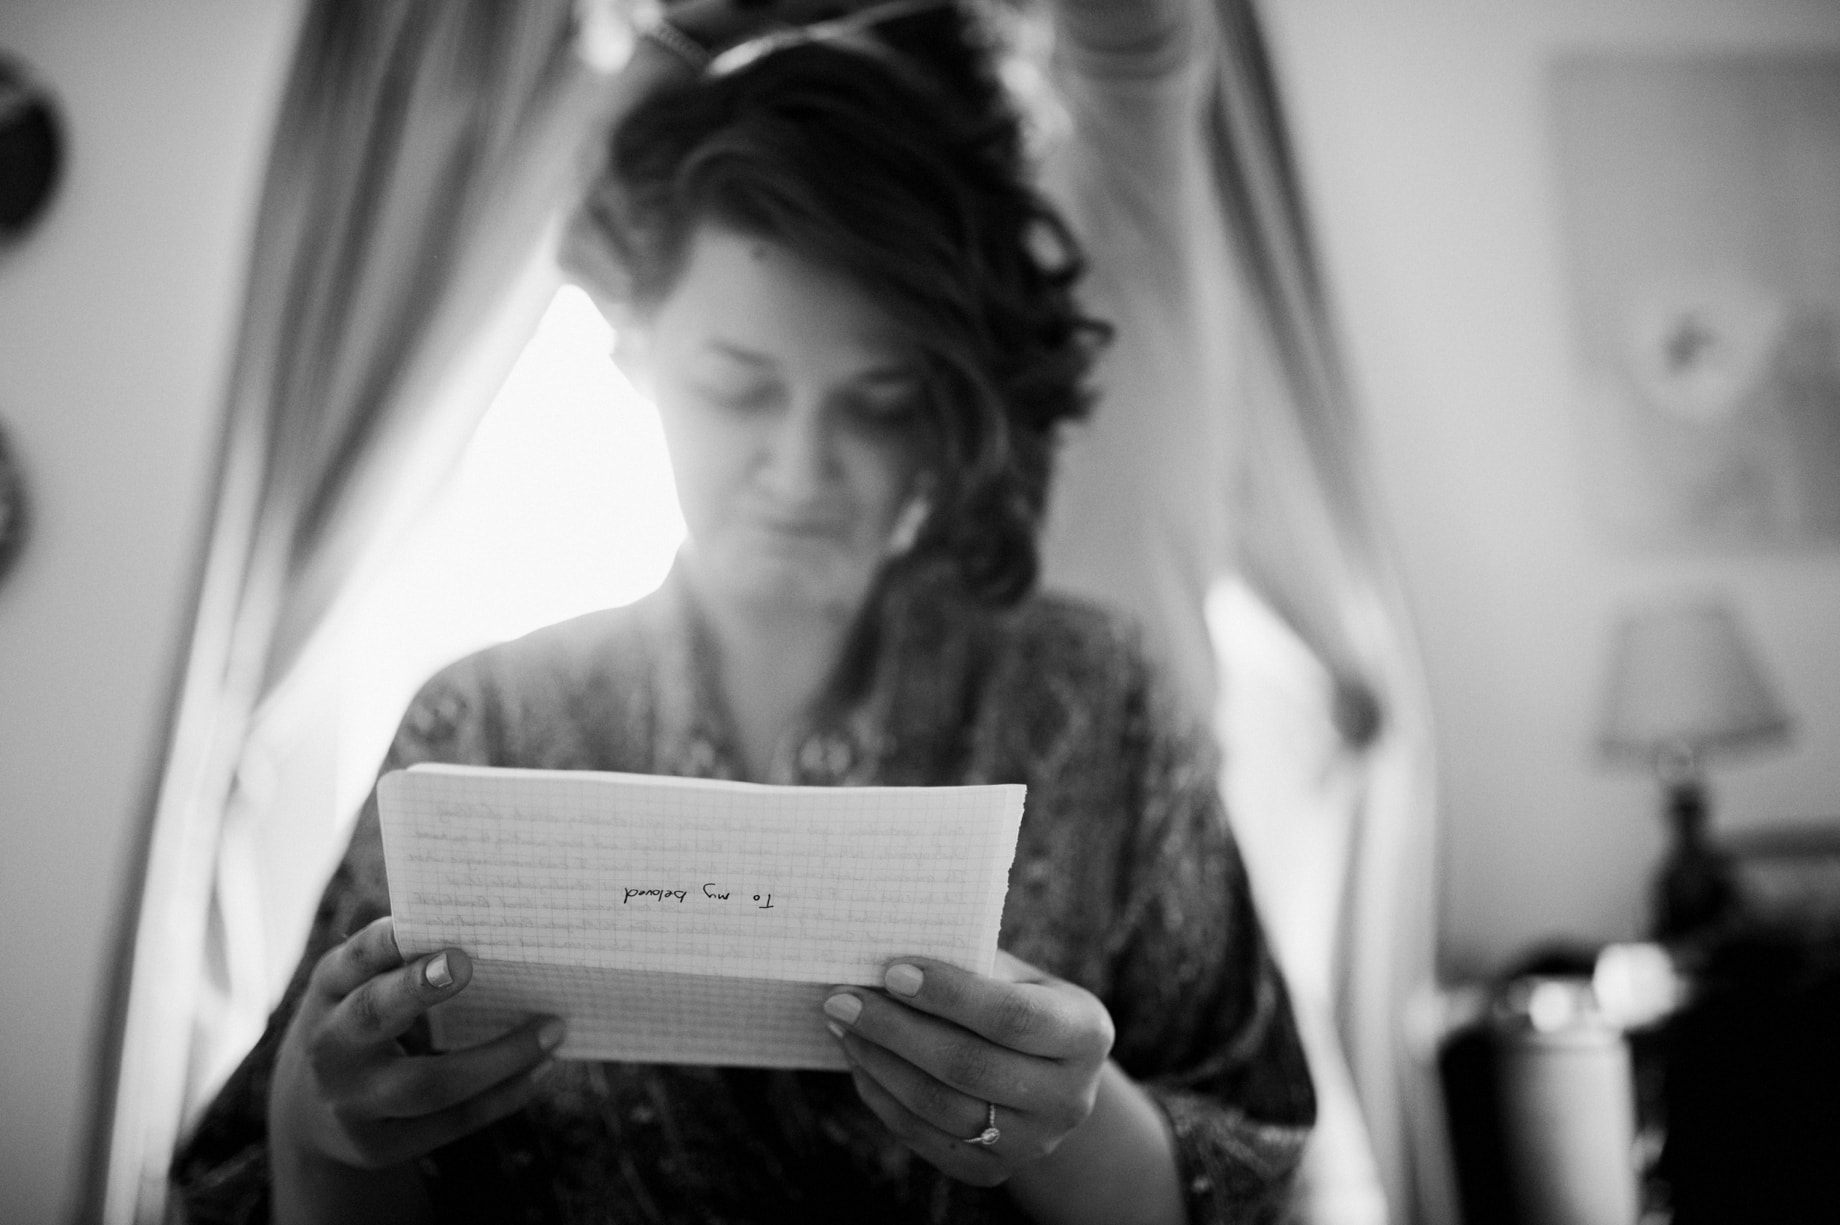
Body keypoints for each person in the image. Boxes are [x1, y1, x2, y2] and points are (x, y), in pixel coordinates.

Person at [172, 1, 1314, 1221]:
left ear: (953, 406)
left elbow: (1256, 1175)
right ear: (636, 355)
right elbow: (255, 1189)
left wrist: (1072, 1127)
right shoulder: (480, 723)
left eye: (877, 401)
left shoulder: (1102, 707)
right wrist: (331, 1135)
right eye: (736, 388)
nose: (802, 472)